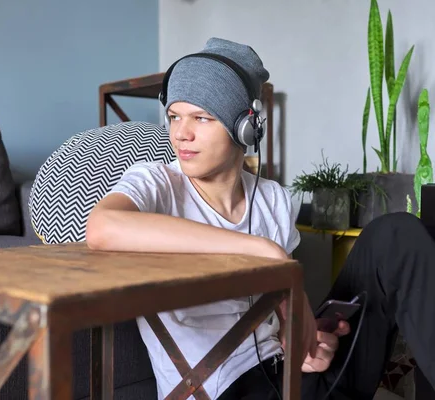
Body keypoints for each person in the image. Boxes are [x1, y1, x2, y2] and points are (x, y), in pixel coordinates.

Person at [85, 37, 435, 400]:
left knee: (396, 236)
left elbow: (283, 323)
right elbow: (102, 228)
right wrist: (263, 251)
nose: (180, 133)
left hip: (287, 377)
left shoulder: (273, 200)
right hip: (221, 390)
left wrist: (308, 342)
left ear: (246, 127)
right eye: (175, 116)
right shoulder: (156, 183)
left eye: (201, 118)